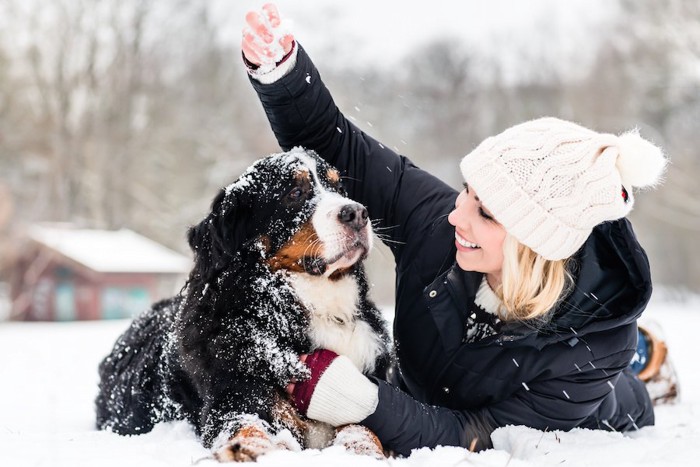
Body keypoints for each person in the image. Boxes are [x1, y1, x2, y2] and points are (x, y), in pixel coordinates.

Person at [241, 4, 677, 456]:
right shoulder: (436, 222)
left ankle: (647, 363)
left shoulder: (593, 349)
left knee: (623, 399)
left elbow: (475, 435)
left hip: (588, 392)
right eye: (468, 191)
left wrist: (366, 400)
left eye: (485, 212)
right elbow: (338, 147)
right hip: (428, 383)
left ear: (534, 245)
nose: (457, 214)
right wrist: (282, 72)